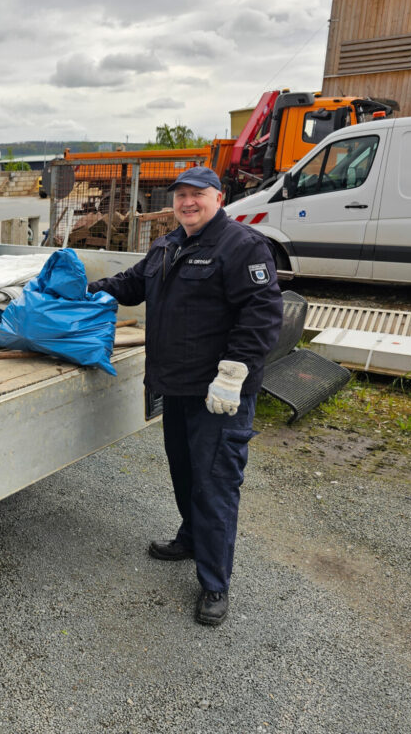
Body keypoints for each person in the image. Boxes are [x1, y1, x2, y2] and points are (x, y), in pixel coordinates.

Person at [88, 166, 282, 626]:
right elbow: (131, 284)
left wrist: (233, 374)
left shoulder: (243, 246)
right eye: (180, 196)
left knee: (215, 485)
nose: (187, 203)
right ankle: (191, 538)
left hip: (217, 394)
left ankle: (215, 583)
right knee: (184, 472)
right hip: (175, 388)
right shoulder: (168, 244)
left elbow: (262, 314)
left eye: (197, 195)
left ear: (218, 196)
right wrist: (83, 290)